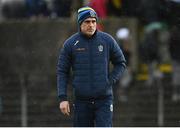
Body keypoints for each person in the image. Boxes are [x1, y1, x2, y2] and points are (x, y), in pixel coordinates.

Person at [57, 6, 126, 127]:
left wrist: (109, 81)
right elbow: (62, 71)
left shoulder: (107, 40)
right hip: (81, 101)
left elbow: (121, 63)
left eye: (94, 21)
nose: (91, 25)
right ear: (80, 23)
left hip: (104, 100)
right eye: (87, 22)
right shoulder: (70, 44)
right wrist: (63, 98)